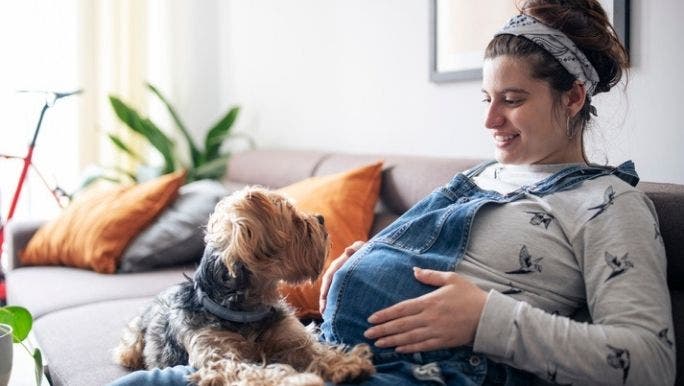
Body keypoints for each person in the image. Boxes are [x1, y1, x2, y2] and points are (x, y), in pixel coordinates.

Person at [110, 0, 675, 385]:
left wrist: (487, 319)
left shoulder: (608, 205)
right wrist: (362, 260)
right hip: (314, 355)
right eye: (486, 100)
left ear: (573, 97)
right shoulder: (480, 179)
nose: (491, 122)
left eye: (513, 99)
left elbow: (651, 361)